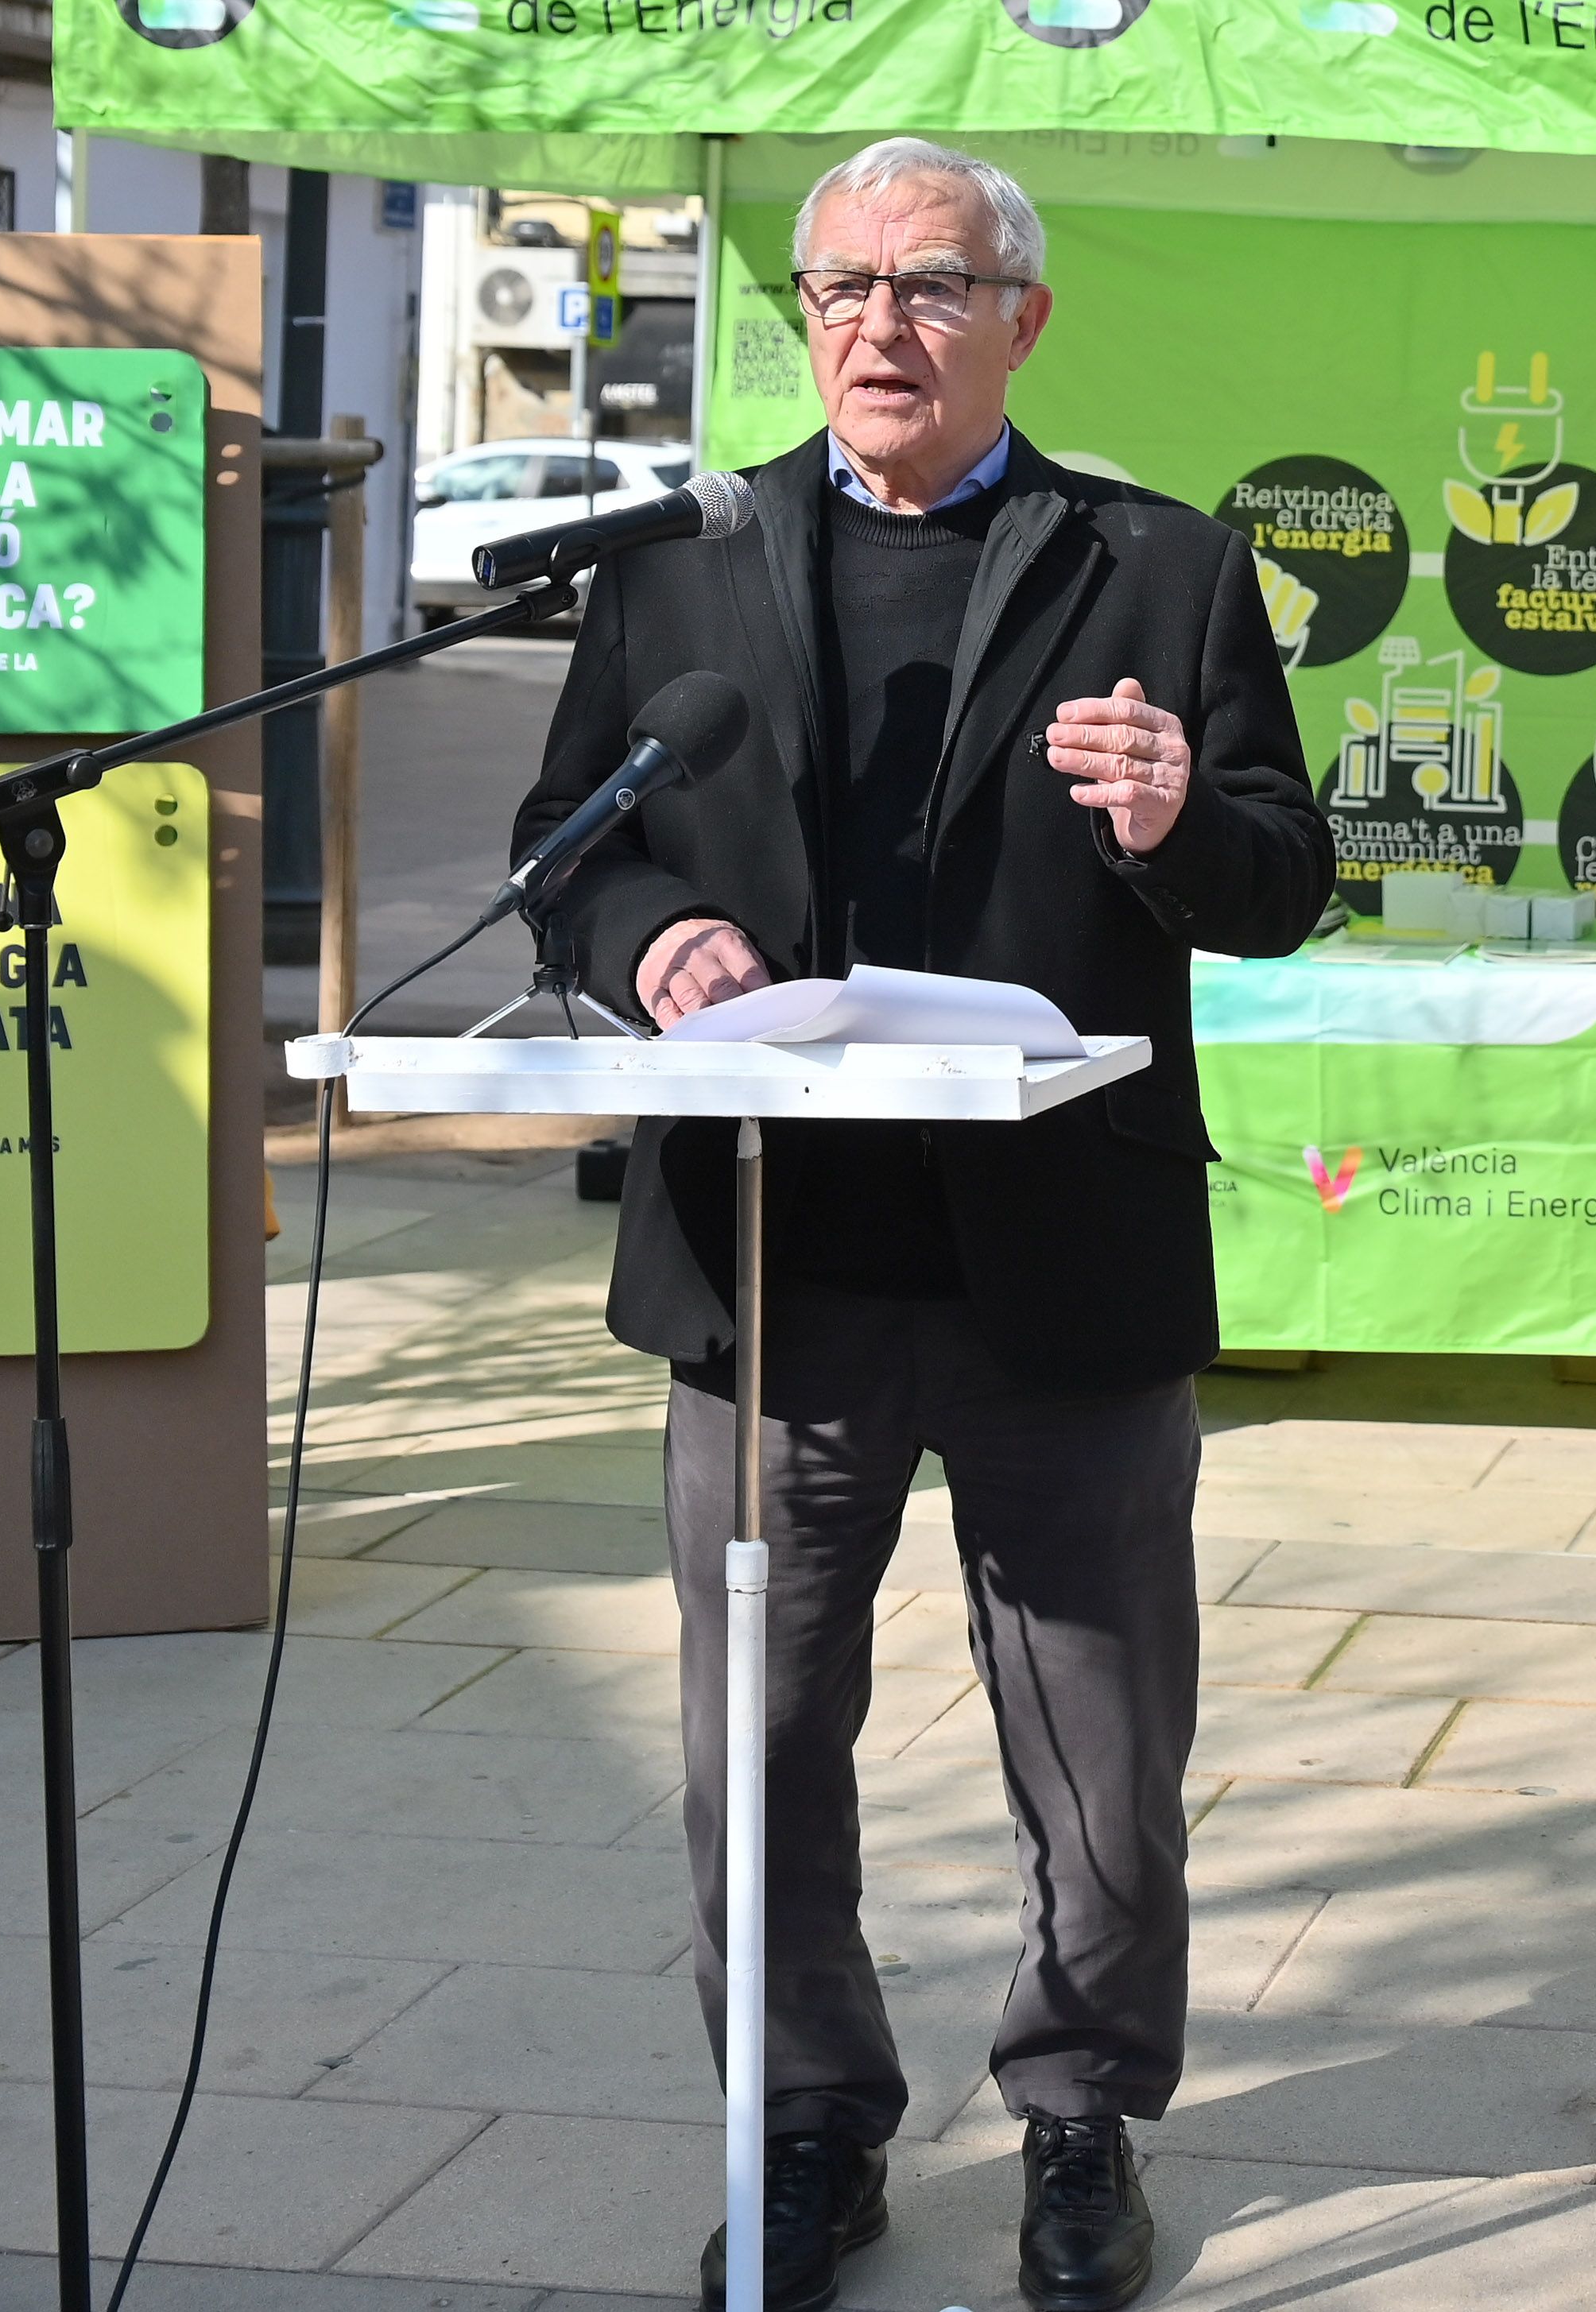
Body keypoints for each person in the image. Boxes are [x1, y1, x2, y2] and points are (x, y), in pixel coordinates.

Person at [509, 137, 1331, 2312]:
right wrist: (651, 928)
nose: (883, 323)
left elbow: (1281, 874)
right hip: (770, 1271)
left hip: (1061, 1255)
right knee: (755, 1743)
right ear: (801, 314)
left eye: (935, 284)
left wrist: (1174, 820)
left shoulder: (1157, 564)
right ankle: (801, 2125)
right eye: (844, 284)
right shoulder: (683, 561)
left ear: (1021, 318)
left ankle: (1079, 2117)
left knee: (1101, 1744)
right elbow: (563, 840)